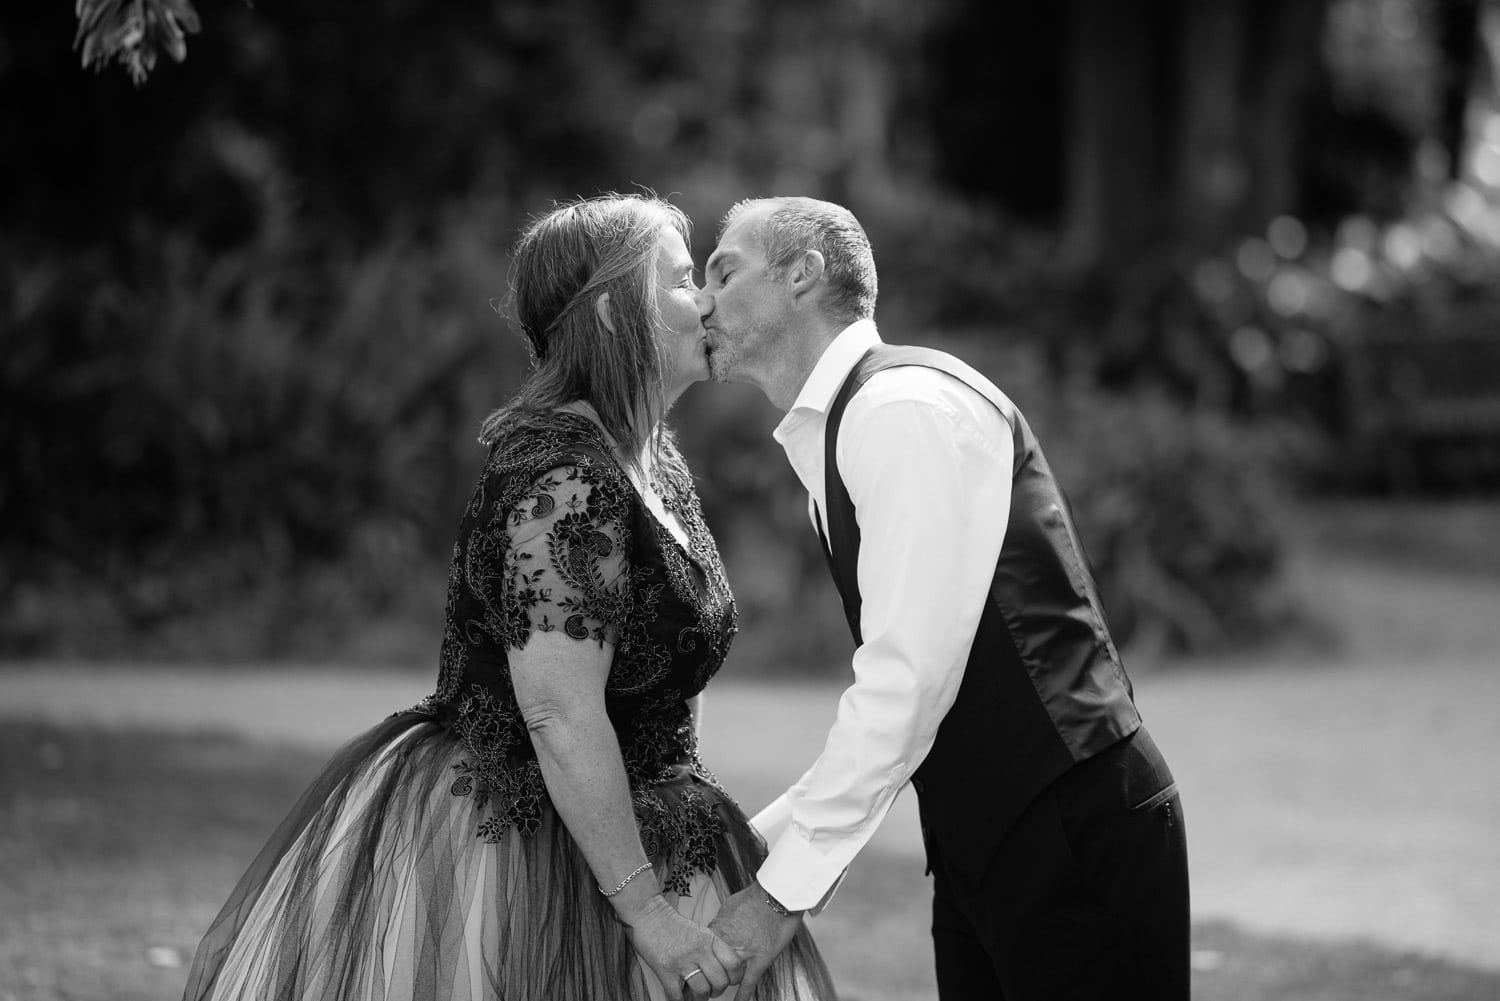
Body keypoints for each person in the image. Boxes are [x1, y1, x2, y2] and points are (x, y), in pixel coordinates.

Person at [181, 194, 837, 1001]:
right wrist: (649, 914)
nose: (704, 299)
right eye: (678, 279)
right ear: (611, 308)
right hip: (522, 846)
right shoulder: (566, 476)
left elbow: (671, 667)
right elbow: (559, 713)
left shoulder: (651, 458)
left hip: (649, 828)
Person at [696, 196, 1189, 1000]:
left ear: (801, 273)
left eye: (725, 269)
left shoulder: (900, 413)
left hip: (1069, 829)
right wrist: (749, 850)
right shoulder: (849, 420)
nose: (703, 298)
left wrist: (780, 889)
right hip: (989, 842)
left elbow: (907, 679)